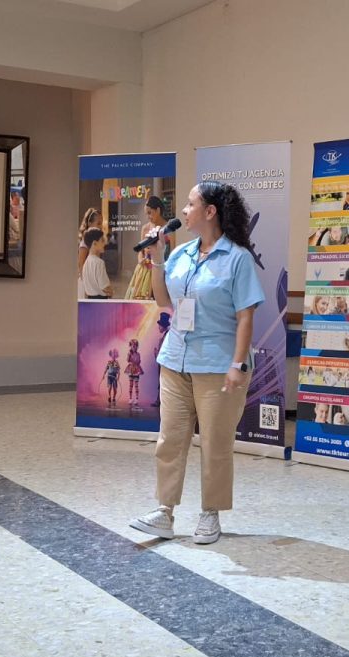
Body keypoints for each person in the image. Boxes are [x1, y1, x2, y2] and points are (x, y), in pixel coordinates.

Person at [129, 181, 264, 545]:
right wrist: (158, 259)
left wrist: (238, 364)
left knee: (216, 443)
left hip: (218, 365)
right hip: (176, 359)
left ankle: (210, 513)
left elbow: (246, 317)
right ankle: (164, 511)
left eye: (190, 205)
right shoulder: (182, 254)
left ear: (210, 211)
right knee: (170, 439)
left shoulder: (237, 258)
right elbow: (163, 301)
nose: (184, 212)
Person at [127, 196, 174, 300]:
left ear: (158, 210)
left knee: (160, 300)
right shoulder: (145, 228)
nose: (148, 217)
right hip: (145, 271)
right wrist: (140, 260)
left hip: (162, 270)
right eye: (146, 214)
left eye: (149, 213)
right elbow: (141, 251)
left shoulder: (169, 229)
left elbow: (172, 254)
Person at [77, 208, 105, 299]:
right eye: (98, 223)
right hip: (86, 283)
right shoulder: (85, 243)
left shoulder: (95, 242)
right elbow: (81, 265)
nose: (100, 226)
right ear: (90, 223)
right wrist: (87, 285)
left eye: (101, 223)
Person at [80, 228, 112, 299]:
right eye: (102, 241)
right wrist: (111, 292)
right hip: (100, 300)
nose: (105, 243)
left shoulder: (86, 262)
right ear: (94, 243)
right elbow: (105, 287)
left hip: (90, 299)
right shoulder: (99, 263)